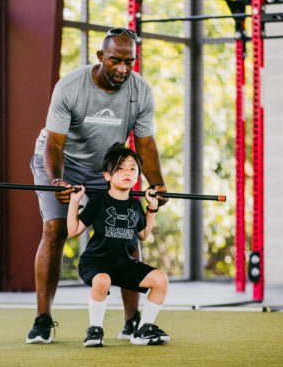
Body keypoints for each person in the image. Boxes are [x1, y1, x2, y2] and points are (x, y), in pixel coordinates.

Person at [27, 28, 167, 344]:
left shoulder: (141, 91)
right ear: (100, 56)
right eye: (115, 61)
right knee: (55, 229)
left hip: (107, 169)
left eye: (129, 62)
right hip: (62, 163)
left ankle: (133, 322)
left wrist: (157, 184)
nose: (122, 69)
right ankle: (42, 320)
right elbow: (54, 145)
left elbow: (145, 146)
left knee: (125, 228)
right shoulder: (71, 87)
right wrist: (57, 181)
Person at [68, 143, 169, 347]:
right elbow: (73, 230)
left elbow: (143, 234)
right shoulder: (99, 200)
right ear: (107, 176)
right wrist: (74, 201)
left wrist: (153, 208)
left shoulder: (135, 204)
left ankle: (143, 329)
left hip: (123, 263)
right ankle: (95, 330)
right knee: (103, 280)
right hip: (95, 262)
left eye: (132, 168)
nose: (127, 172)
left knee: (160, 279)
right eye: (120, 168)